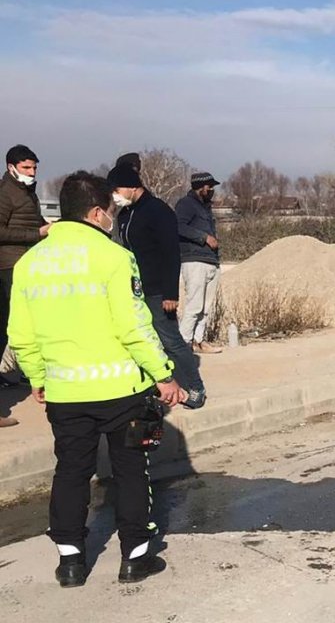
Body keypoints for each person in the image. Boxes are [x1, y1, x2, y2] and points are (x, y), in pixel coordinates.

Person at [8, 171, 184, 587]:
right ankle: (134, 557)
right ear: (95, 212)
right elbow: (134, 327)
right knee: (129, 470)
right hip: (120, 390)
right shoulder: (113, 257)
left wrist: (37, 377)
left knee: (70, 471)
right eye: (108, 211)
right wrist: (164, 375)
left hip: (64, 391)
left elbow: (19, 334)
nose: (111, 218)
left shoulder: (30, 262)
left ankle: (70, 562)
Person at [111, 162, 207, 409]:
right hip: (135, 289)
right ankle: (161, 384)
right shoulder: (125, 215)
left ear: (133, 187)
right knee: (147, 339)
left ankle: (196, 387)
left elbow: (170, 253)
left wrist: (170, 293)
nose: (115, 195)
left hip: (157, 290)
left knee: (170, 340)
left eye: (117, 189)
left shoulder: (158, 211)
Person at [0, 145, 50, 427]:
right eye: (27, 168)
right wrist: (36, 233)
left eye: (34, 168)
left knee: (25, 324)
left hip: (27, 265)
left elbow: (32, 222)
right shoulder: (4, 192)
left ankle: (17, 374)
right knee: (12, 325)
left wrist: (47, 226)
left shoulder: (27, 193)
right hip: (9, 267)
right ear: (11, 167)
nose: (32, 173)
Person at [175, 172, 223, 354]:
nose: (211, 190)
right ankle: (184, 344)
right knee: (194, 305)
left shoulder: (206, 208)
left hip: (211, 261)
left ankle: (198, 341)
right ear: (201, 187)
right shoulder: (186, 205)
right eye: (210, 187)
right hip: (194, 261)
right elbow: (178, 226)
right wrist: (203, 238)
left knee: (206, 307)